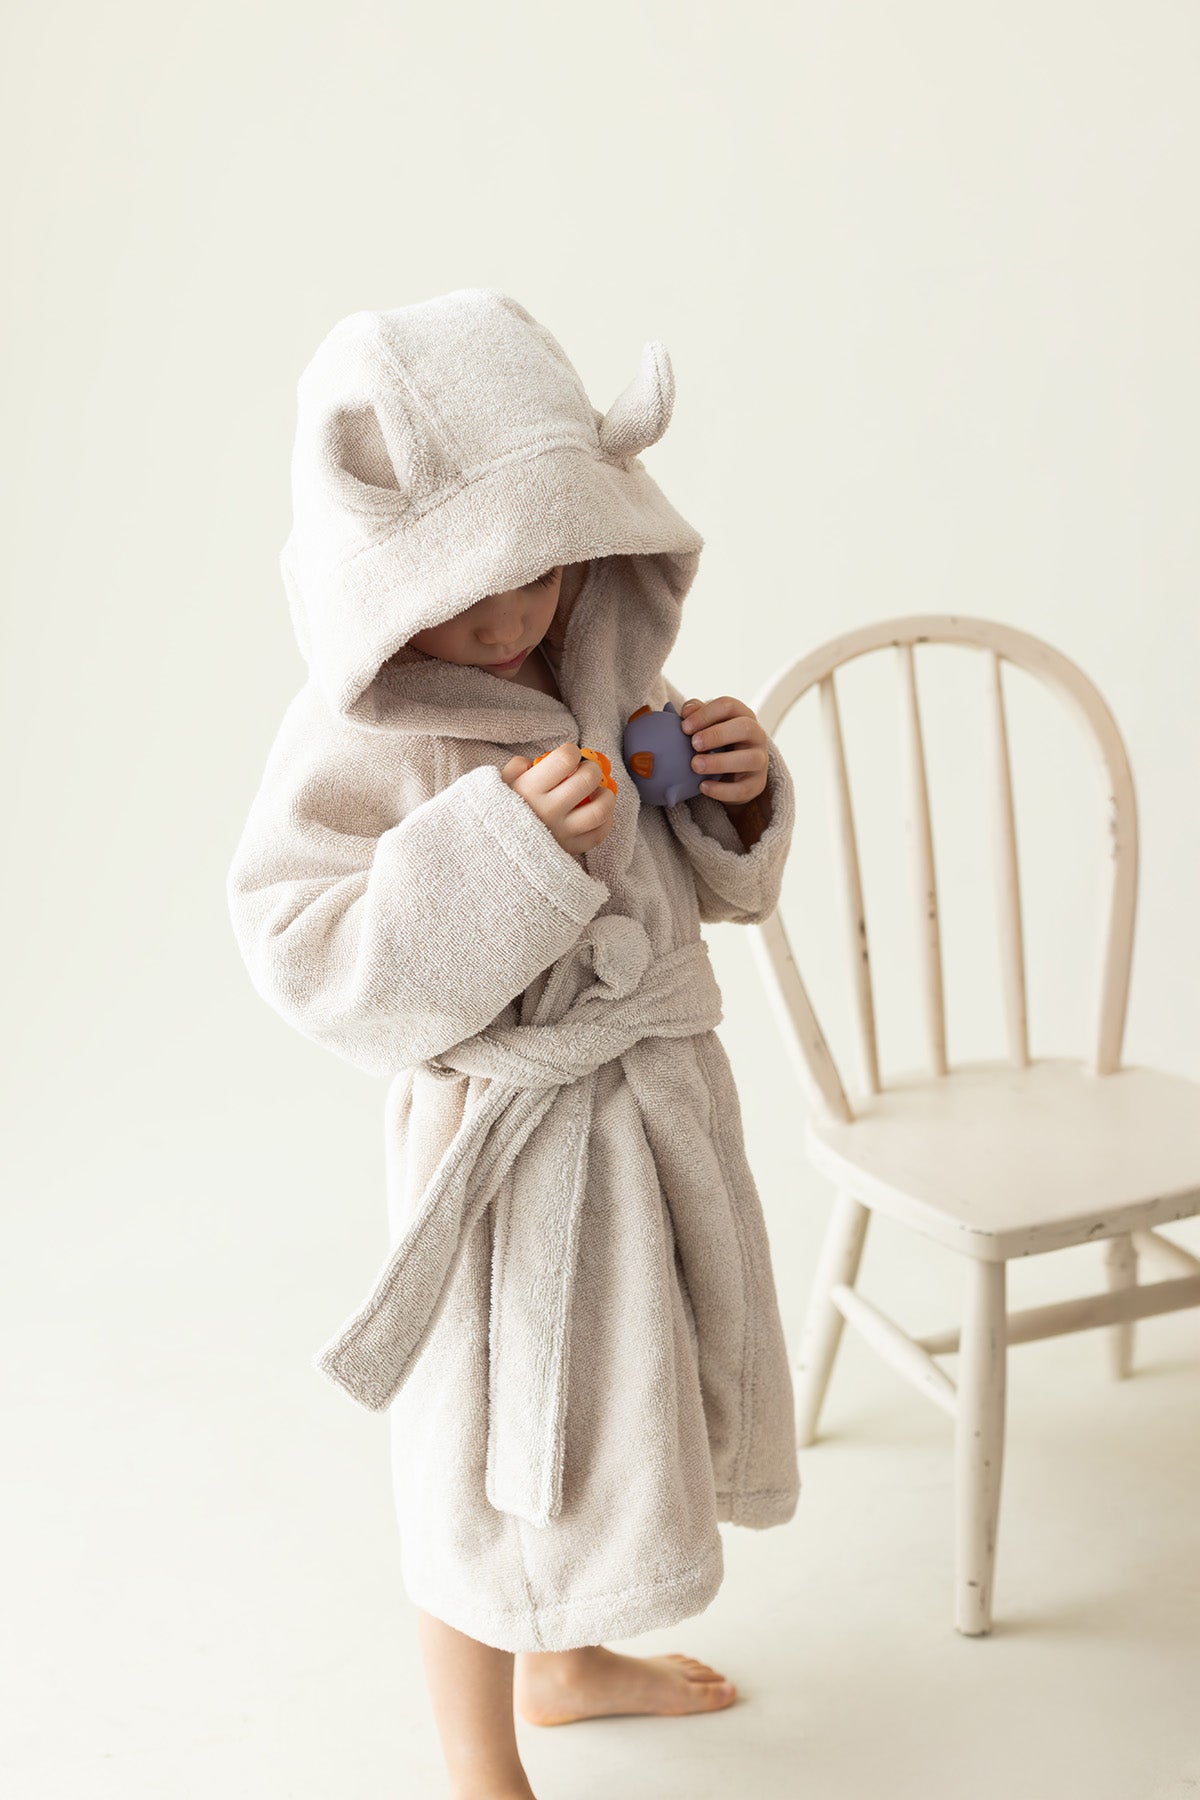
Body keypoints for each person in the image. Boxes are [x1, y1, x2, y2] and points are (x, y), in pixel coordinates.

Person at [226, 287, 801, 1800]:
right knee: (479, 1471)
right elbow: (299, 942)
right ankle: (481, 1761)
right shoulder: (361, 731)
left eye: (534, 569)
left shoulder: (604, 669)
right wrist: (492, 852)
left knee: (617, 1411)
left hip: (646, 1119)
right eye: (459, 588)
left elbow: (707, 886)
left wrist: (735, 793)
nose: (505, 622)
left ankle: (569, 1660)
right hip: (500, 1158)